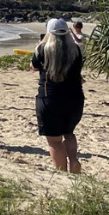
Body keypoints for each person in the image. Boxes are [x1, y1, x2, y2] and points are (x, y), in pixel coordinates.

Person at [31, 18, 84, 173]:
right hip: (74, 98)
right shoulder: (76, 50)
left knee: (54, 141)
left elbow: (33, 66)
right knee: (69, 133)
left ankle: (62, 172)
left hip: (50, 98)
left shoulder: (42, 49)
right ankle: (73, 160)